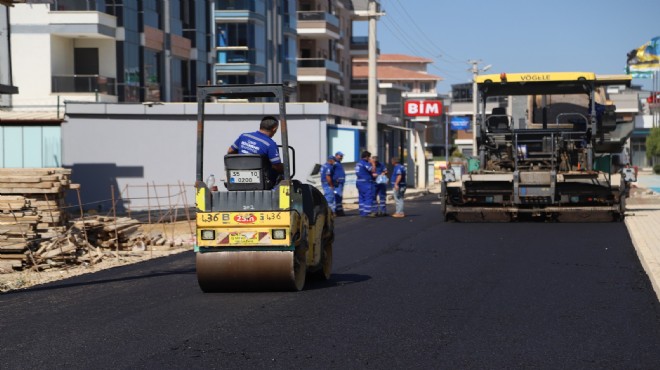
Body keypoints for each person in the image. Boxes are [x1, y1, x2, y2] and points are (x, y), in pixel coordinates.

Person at [227, 116, 283, 184]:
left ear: (261, 126)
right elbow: (276, 166)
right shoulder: (270, 144)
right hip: (261, 181)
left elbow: (230, 151)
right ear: (274, 129)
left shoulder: (244, 136)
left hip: (238, 176)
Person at [355, 150, 377, 217]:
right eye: (369, 157)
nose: (370, 159)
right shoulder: (365, 163)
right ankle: (367, 212)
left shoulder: (358, 163)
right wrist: (373, 163)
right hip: (365, 182)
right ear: (367, 157)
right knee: (368, 197)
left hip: (359, 182)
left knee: (361, 197)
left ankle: (362, 211)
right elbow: (372, 170)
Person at [332, 151, 346, 216]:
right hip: (337, 183)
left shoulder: (339, 163)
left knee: (339, 197)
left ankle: (339, 210)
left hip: (341, 183)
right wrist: (335, 179)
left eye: (342, 156)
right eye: (340, 156)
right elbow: (330, 172)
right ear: (336, 155)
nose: (341, 157)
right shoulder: (334, 163)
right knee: (337, 196)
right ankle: (338, 211)